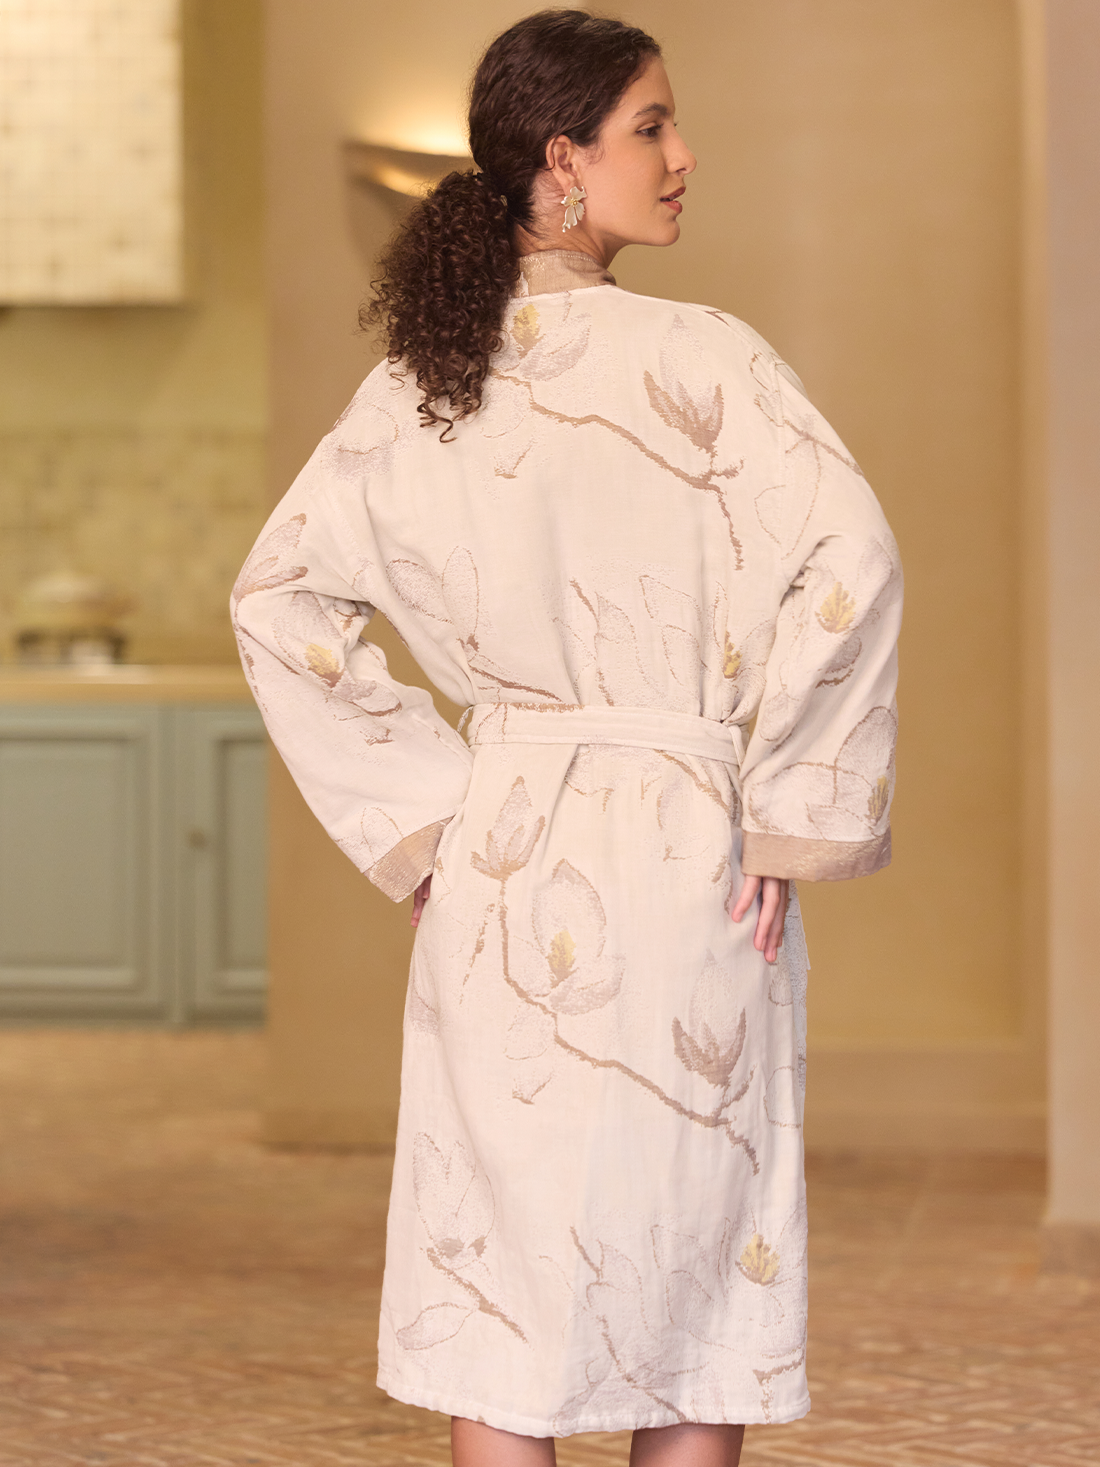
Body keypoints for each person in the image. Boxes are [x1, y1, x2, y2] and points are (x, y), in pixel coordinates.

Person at [232, 10, 902, 1465]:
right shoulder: (712, 360)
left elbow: (278, 597)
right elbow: (851, 560)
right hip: (687, 853)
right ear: (562, 158)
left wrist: (429, 818)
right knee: (697, 1265)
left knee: (507, 1268)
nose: (684, 154)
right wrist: (786, 801)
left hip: (504, 851)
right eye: (651, 126)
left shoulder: (420, 385)